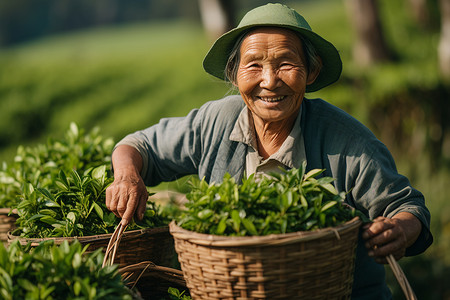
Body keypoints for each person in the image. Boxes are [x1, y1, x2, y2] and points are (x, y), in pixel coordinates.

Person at [105, 3, 432, 299]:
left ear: (311, 72)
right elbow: (137, 146)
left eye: (286, 64)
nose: (270, 80)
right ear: (235, 74)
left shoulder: (346, 142)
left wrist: (399, 229)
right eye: (253, 66)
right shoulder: (216, 121)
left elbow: (407, 207)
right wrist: (127, 177)